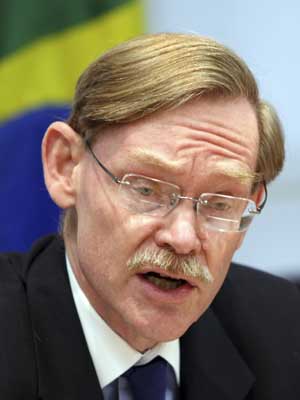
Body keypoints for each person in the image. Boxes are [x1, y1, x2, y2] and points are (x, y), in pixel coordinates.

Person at [1, 33, 300, 400]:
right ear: (65, 167)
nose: (184, 237)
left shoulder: (286, 331)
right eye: (147, 189)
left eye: (220, 203)